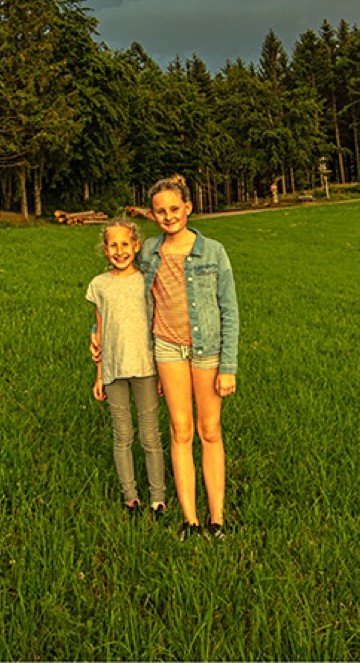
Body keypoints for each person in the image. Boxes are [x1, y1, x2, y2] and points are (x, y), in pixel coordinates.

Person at [138, 174, 239, 538]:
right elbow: (123, 291)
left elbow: (230, 310)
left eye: (175, 209)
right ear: (152, 215)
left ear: (189, 208)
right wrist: (96, 332)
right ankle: (190, 520)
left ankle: (217, 520)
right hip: (167, 349)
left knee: (209, 431)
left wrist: (228, 367)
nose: (169, 216)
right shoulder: (148, 251)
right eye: (160, 211)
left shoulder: (213, 251)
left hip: (207, 351)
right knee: (181, 432)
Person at [85, 220, 168, 515]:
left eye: (125, 244)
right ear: (105, 250)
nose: (119, 251)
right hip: (113, 371)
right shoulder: (99, 285)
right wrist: (99, 375)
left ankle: (158, 497)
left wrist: (161, 374)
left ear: (135, 246)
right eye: (113, 246)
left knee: (150, 436)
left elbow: (158, 326)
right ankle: (130, 496)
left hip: (146, 368)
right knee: (122, 435)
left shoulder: (147, 282)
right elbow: (100, 329)